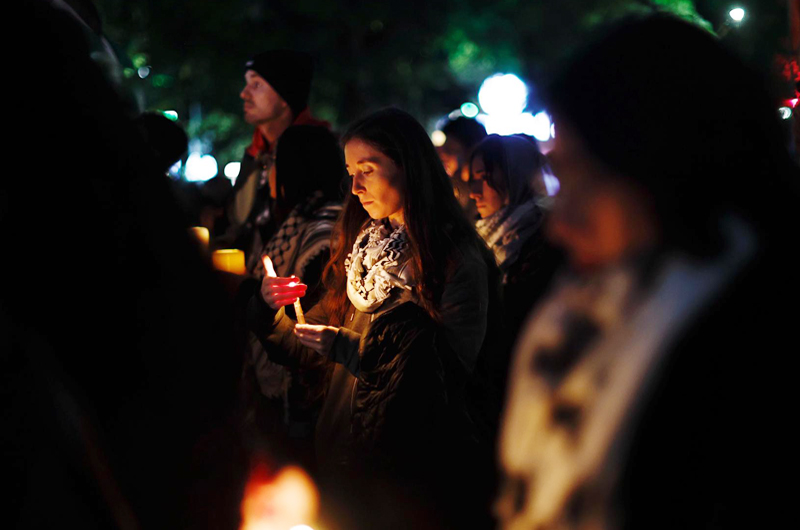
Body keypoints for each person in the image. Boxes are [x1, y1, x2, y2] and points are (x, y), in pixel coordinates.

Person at [496, 14, 799, 530]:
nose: (560, 223)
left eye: (584, 179)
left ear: (669, 169)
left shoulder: (757, 358)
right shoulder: (577, 313)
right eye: (556, 179)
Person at [247, 108, 502, 527]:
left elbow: (451, 374)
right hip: (340, 458)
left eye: (367, 169)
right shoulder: (361, 252)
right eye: (350, 171)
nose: (355, 186)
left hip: (407, 475)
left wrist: (346, 347)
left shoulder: (454, 258)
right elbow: (307, 349)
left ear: (409, 167)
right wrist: (269, 310)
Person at [242, 125, 345, 469]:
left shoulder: (322, 232)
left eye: (275, 163)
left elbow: (308, 335)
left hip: (304, 401)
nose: (269, 173)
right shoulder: (298, 220)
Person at [217, 50, 330, 265]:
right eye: (246, 84)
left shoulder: (318, 154)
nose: (244, 94)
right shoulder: (256, 153)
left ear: (285, 97)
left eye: (256, 85)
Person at [468, 134, 563, 343]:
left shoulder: (546, 242)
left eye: (484, 178)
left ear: (517, 176)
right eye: (473, 180)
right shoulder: (475, 241)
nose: (474, 193)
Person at [437, 116, 487, 220]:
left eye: (450, 150)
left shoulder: (482, 194)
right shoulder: (452, 189)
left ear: (472, 150)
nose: (443, 156)